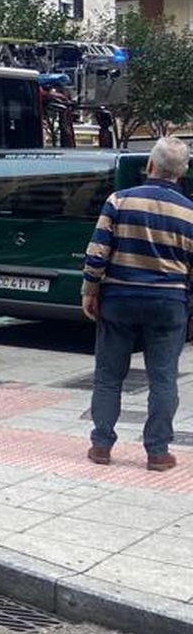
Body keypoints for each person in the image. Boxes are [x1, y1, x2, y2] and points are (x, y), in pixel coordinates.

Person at [81, 136, 193, 471]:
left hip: (119, 299)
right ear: (182, 172)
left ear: (149, 166)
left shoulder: (119, 201)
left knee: (108, 375)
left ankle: (101, 446)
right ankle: (157, 452)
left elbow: (98, 251)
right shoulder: (190, 213)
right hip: (169, 303)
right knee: (163, 378)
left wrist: (90, 290)